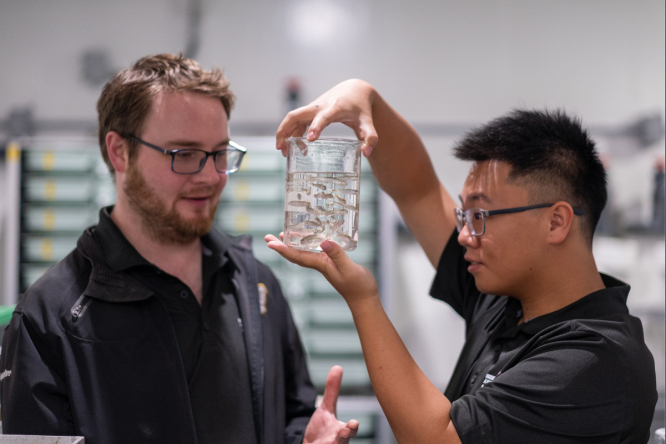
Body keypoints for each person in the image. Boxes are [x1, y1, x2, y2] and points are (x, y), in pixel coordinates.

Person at [266, 79, 658, 443]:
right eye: (464, 215)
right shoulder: (506, 300)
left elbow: (436, 437)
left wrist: (363, 300)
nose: (465, 235)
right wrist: (368, 101)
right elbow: (418, 191)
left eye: (480, 216)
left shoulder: (595, 360)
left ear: (556, 222)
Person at [0, 54, 358, 444]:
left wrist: (304, 439)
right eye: (184, 155)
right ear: (119, 152)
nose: (211, 177)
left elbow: (291, 415)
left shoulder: (256, 286)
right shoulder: (48, 317)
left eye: (219, 153)